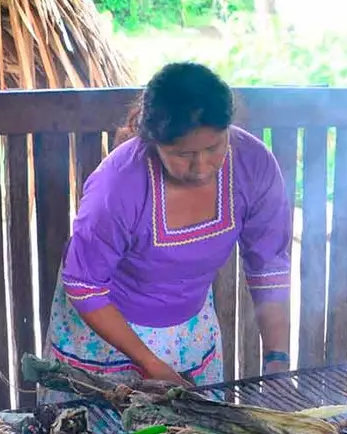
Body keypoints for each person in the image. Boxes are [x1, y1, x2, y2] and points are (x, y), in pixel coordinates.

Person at [45, 62, 293, 389]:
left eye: (214, 147)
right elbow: (84, 284)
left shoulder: (253, 165)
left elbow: (269, 266)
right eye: (183, 154)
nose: (201, 166)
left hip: (189, 333)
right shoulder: (117, 186)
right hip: (104, 340)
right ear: (153, 140)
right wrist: (149, 363)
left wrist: (278, 357)